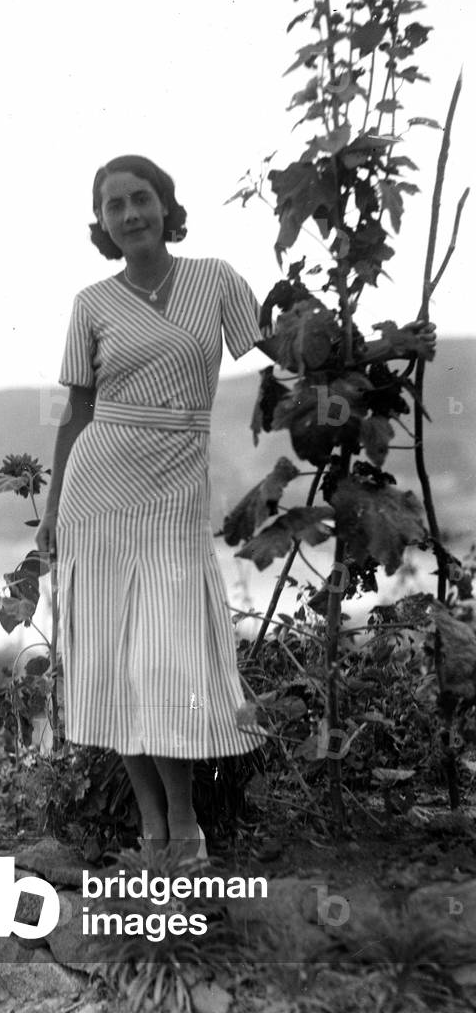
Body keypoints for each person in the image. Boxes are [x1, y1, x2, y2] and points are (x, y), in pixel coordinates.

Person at [35, 154, 434, 857]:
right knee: (112, 658)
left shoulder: (214, 280)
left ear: (165, 205)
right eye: (114, 206)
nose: (129, 215)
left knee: (167, 660)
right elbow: (75, 410)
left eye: (140, 199)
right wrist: (51, 516)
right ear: (101, 222)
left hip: (174, 490)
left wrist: (386, 345)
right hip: (96, 491)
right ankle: (152, 825)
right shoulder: (90, 304)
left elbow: (282, 351)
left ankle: (184, 821)